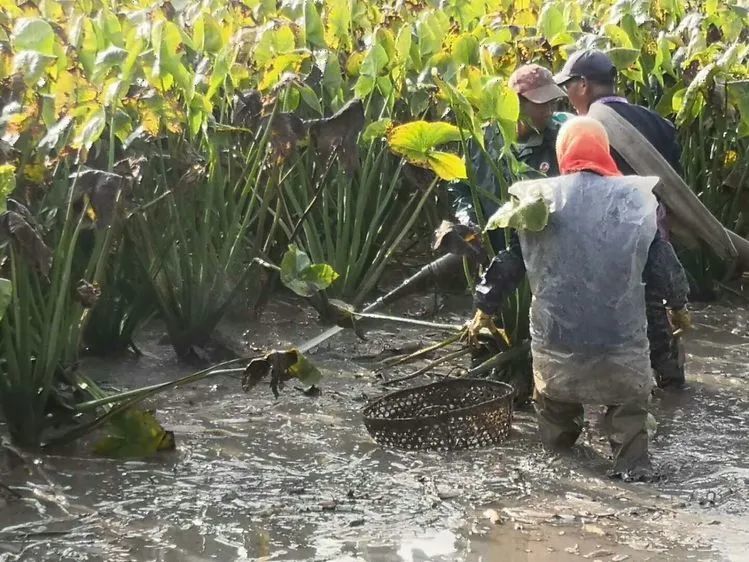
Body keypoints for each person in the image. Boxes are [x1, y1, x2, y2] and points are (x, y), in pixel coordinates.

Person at [467, 117, 689, 480]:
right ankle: (633, 468)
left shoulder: (536, 201)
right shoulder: (635, 200)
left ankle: (559, 465)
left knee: (555, 416)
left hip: (557, 346)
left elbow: (510, 262)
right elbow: (663, 264)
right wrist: (679, 308)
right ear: (604, 150)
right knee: (629, 414)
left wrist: (483, 308)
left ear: (562, 151)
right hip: (620, 345)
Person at [552, 49, 690, 389]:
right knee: (652, 308)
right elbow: (675, 187)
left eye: (568, 86)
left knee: (613, 319)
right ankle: (670, 382)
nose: (567, 96)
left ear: (583, 84)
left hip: (602, 246)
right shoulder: (659, 124)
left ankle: (610, 387)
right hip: (653, 234)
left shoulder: (586, 129)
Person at [450, 64, 570, 235]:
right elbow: (461, 189)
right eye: (542, 104)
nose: (549, 111)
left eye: (553, 103)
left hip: (543, 247)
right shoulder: (481, 142)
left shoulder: (559, 140)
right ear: (517, 103)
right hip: (494, 243)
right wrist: (469, 221)